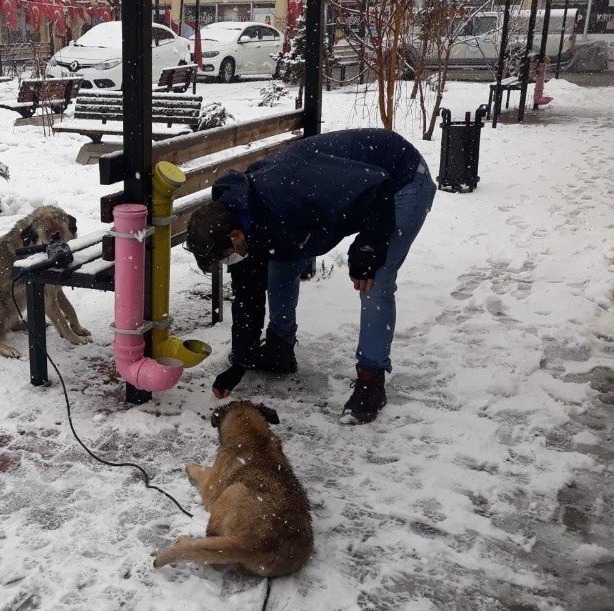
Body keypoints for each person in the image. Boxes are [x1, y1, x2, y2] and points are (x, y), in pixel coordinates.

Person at [185, 128, 436, 424]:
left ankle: (371, 377)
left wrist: (367, 248)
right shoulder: (242, 219)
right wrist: (241, 362)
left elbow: (378, 187)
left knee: (374, 280)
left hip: (399, 180)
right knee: (280, 265)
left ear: (236, 236)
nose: (231, 262)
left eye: (226, 256)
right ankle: (279, 348)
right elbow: (247, 297)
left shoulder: (288, 194)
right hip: (355, 190)